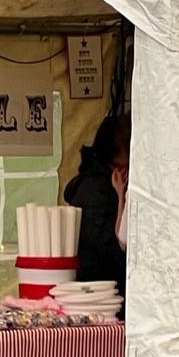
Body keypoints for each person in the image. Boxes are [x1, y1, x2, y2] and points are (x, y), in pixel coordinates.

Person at [66, 112, 130, 287]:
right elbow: (111, 247)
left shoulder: (98, 180)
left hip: (103, 285)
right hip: (99, 289)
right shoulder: (95, 188)